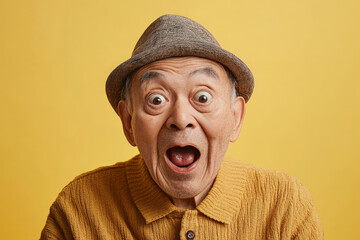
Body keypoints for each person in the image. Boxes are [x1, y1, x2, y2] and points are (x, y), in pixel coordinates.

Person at [40, 14, 323, 239]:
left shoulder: (285, 206)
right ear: (128, 122)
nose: (181, 118)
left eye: (202, 97)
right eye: (156, 99)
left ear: (236, 117)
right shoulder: (78, 209)